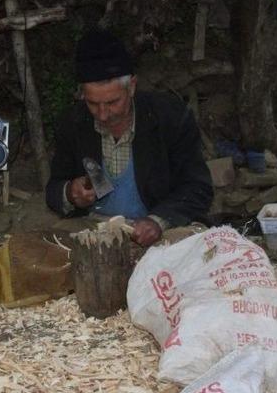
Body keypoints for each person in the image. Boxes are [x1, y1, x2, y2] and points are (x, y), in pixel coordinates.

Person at [45, 29, 213, 246]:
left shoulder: (170, 117)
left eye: (113, 102)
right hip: (95, 227)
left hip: (160, 227)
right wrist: (70, 193)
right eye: (93, 104)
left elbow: (198, 188)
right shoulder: (72, 123)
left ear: (131, 86)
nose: (103, 114)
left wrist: (157, 221)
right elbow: (53, 190)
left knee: (193, 254)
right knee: (50, 250)